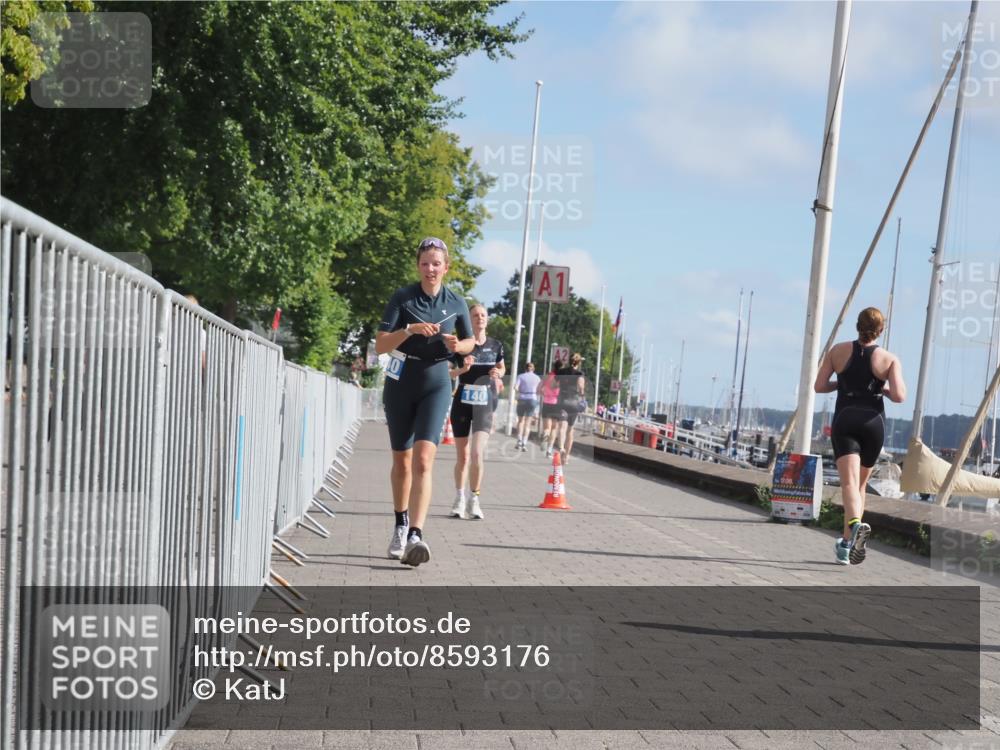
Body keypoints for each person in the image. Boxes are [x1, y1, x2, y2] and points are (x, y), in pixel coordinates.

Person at [375, 237, 474, 566]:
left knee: (423, 462)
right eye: (425, 263)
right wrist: (409, 330)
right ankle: (400, 524)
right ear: (418, 266)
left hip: (436, 382)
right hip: (401, 380)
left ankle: (417, 534)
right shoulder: (403, 297)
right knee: (402, 463)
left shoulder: (457, 302)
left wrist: (456, 345)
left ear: (446, 267)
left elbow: (470, 343)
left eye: (436, 263)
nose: (430, 269)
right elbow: (379, 345)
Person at [814, 307, 906, 566]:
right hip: (873, 423)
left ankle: (854, 525)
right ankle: (846, 545)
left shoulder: (838, 351)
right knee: (860, 486)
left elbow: (819, 386)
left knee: (848, 485)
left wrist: (840, 384)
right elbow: (899, 396)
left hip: (846, 419)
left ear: (857, 325)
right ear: (881, 329)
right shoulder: (889, 359)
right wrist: (883, 390)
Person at [448, 304, 505, 520]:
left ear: (487, 320)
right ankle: (459, 498)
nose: (479, 318)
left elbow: (502, 367)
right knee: (462, 456)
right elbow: (449, 373)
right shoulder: (462, 346)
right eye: (475, 315)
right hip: (462, 401)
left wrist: (497, 372)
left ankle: (475, 499)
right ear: (470, 321)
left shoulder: (495, 345)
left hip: (485, 403)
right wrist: (463, 369)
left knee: (477, 453)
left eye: (483, 315)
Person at [554, 353, 586, 464]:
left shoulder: (562, 372)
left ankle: (561, 447)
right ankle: (566, 457)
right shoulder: (579, 374)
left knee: (562, 426)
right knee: (570, 430)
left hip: (562, 401)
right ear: (579, 362)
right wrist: (582, 396)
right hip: (574, 402)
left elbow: (555, 385)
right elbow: (581, 387)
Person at [514, 362, 542, 451]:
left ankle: (519, 440)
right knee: (528, 422)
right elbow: (539, 390)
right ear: (533, 369)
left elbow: (515, 387)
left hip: (522, 398)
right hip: (532, 399)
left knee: (520, 421)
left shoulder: (521, 376)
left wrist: (520, 392)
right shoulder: (537, 378)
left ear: (525, 368)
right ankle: (524, 443)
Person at [540, 359, 563, 457]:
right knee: (554, 428)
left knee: (547, 428)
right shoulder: (562, 378)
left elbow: (539, 389)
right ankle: (549, 450)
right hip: (557, 404)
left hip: (546, 403)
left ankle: (545, 438)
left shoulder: (547, 376)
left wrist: (545, 394)